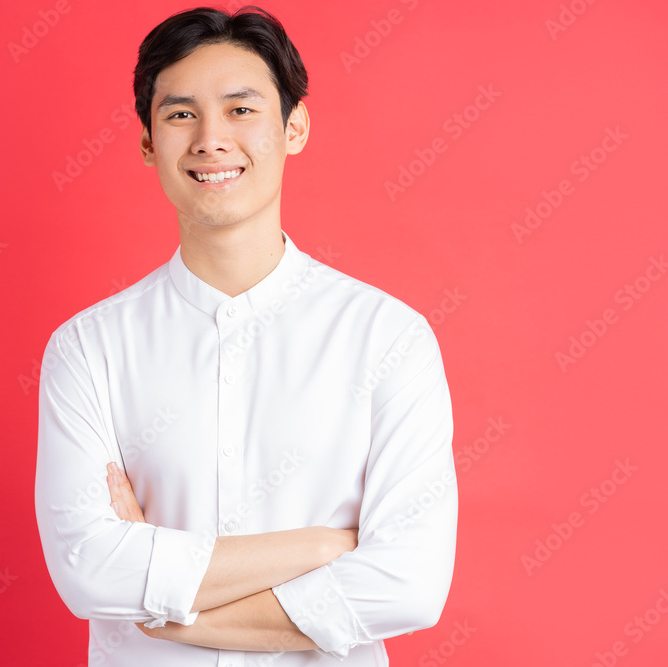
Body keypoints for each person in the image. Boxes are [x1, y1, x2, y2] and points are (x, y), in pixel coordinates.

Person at [35, 6, 457, 665]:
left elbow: (410, 582)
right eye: (180, 114)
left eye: (240, 110)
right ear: (148, 142)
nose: (210, 139)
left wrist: (166, 610)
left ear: (294, 126)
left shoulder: (388, 338)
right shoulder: (89, 348)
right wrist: (325, 546)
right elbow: (88, 568)